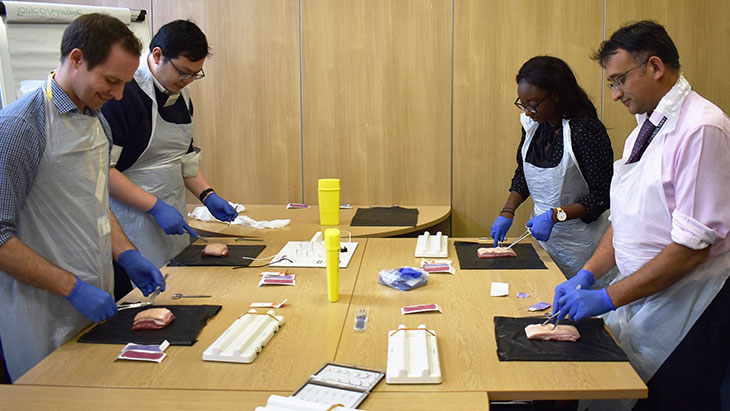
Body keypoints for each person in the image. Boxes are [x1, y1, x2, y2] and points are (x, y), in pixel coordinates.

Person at [552, 21, 730, 410]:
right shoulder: (642, 132)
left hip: (690, 304)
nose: (614, 95)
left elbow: (690, 250)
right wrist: (588, 274)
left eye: (619, 81)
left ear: (654, 67)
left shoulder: (701, 128)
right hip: (644, 294)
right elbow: (625, 221)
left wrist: (607, 298)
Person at [0, 13, 165, 382]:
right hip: (40, 308)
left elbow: (93, 201)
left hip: (94, 293)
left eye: (123, 83)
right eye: (111, 80)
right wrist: (73, 288)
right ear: (76, 59)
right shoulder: (19, 127)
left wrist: (128, 253)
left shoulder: (97, 119)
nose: (118, 94)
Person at [102, 20, 237, 300]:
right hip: (131, 221)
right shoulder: (123, 94)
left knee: (177, 294)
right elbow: (103, 171)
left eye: (195, 75)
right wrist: (154, 207)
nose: (187, 81)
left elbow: (183, 154)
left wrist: (207, 194)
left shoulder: (181, 94)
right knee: (142, 301)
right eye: (183, 72)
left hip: (170, 214)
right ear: (157, 55)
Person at [490, 56, 615, 283]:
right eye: (523, 103)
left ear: (556, 95)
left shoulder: (585, 130)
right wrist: (507, 211)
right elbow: (525, 174)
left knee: (579, 312)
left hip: (583, 248)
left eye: (533, 103)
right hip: (544, 245)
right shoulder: (535, 126)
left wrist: (555, 215)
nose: (527, 111)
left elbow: (602, 197)